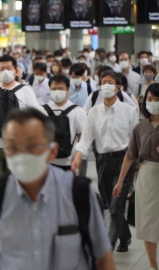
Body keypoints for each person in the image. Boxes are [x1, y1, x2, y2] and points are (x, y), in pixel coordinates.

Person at [0, 108, 114, 270]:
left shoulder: (79, 195)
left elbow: (103, 260)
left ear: (52, 151)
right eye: (13, 147)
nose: (21, 155)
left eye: (31, 146)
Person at [72, 70, 138, 252]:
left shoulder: (129, 111)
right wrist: (78, 158)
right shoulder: (93, 112)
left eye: (110, 82)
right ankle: (125, 236)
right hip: (103, 162)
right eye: (103, 82)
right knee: (110, 204)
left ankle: (107, 247)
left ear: (118, 87)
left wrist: (138, 167)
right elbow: (85, 139)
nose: (106, 86)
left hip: (125, 161)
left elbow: (135, 141)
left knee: (117, 207)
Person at [0, 55, 43, 185]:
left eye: (9, 68)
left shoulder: (26, 90)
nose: (5, 71)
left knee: (16, 183)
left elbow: (36, 115)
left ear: (16, 70)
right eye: (2, 69)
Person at [113, 83, 159, 270]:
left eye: (157, 99)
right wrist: (121, 180)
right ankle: (152, 264)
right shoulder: (140, 128)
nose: (153, 103)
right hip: (147, 176)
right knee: (148, 220)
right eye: (150, 99)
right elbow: (130, 155)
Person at [45, 75, 87, 171]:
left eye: (61, 89)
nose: (57, 92)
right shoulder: (40, 110)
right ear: (50, 90)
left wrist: (78, 156)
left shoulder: (78, 111)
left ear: (67, 90)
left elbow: (83, 136)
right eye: (54, 89)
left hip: (69, 163)